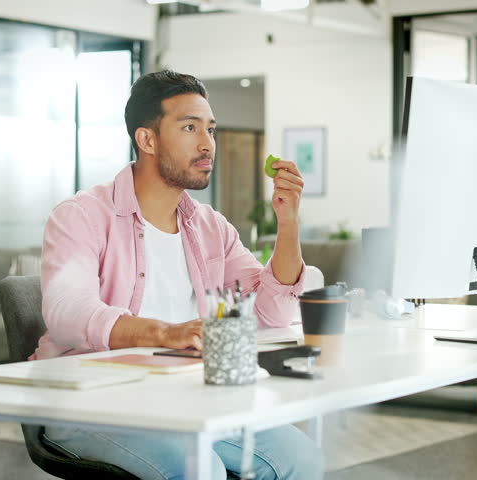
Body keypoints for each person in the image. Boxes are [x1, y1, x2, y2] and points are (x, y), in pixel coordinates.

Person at [31, 70, 324, 480]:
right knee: (200, 470)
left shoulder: (210, 227)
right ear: (146, 139)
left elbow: (271, 313)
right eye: (189, 127)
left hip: (185, 396)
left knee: (303, 459)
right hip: (91, 402)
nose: (207, 144)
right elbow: (66, 313)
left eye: (210, 130)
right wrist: (165, 333)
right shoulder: (80, 216)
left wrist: (288, 222)